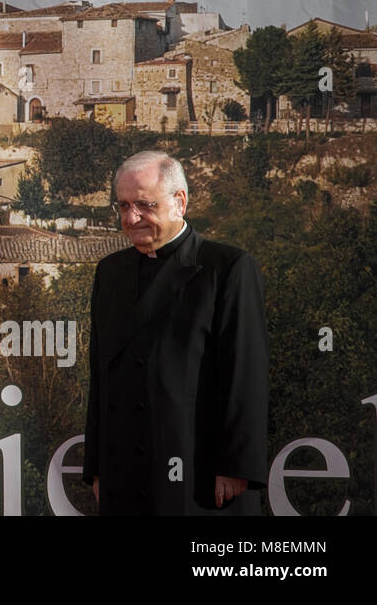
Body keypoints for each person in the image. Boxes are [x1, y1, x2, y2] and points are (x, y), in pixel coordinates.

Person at [83, 150, 269, 515]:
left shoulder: (227, 268)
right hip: (125, 474)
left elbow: (245, 374)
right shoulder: (110, 272)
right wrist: (97, 469)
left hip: (199, 475)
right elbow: (100, 377)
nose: (131, 217)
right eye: (122, 206)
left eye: (143, 205)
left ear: (179, 202)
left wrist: (235, 466)